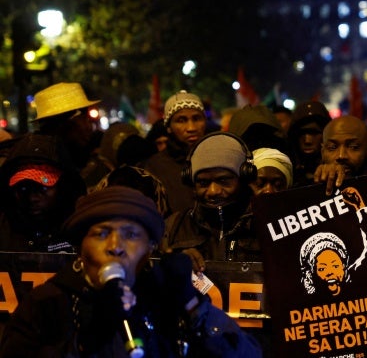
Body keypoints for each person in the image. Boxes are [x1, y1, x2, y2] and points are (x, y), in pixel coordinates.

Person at [0, 186, 261, 356]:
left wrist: (193, 307)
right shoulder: (48, 301)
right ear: (80, 247)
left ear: (149, 248)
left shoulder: (166, 297)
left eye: (131, 235)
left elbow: (247, 354)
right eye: (101, 234)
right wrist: (87, 341)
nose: (116, 247)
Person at [162, 131, 260, 271]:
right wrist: (175, 264)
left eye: (223, 180)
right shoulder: (173, 228)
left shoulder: (268, 225)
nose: (213, 191)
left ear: (244, 178)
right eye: (203, 182)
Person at [0, 133, 86, 253]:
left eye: (43, 188)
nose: (32, 198)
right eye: (23, 188)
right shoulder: (3, 230)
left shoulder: (81, 230)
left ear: (63, 187)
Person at [142, 90, 206, 214]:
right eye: (181, 120)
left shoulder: (218, 157)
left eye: (197, 118)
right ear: (169, 128)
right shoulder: (155, 167)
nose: (191, 128)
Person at [32, 82, 103, 173]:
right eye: (84, 119)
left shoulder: (35, 153)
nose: (89, 127)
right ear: (64, 123)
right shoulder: (57, 164)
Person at [312, 115, 367, 193]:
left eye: (353, 147)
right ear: (322, 152)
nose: (341, 156)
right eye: (332, 147)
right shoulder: (307, 187)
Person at [285, 100, 332, 187]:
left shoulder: (340, 168)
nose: (307, 141)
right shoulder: (287, 173)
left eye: (314, 133)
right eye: (301, 133)